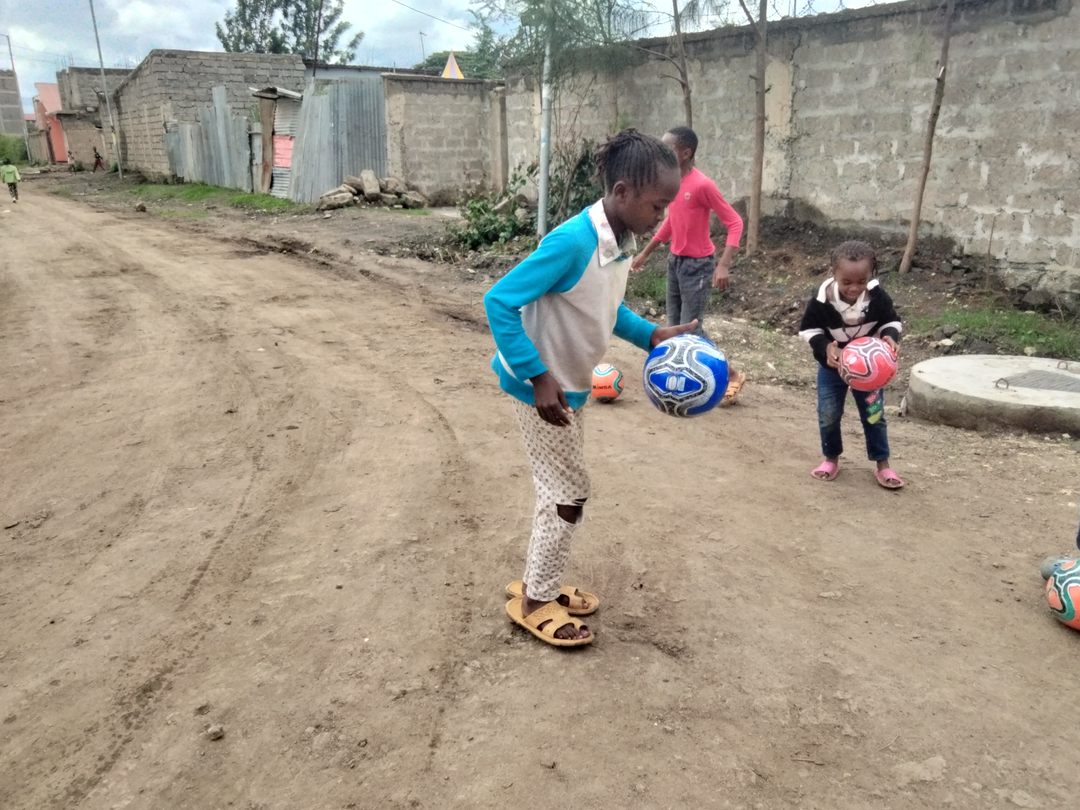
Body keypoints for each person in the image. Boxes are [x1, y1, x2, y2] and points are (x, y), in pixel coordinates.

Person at [484, 129, 696, 647]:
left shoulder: (617, 243)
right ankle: (536, 600)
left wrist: (650, 335)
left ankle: (541, 580)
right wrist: (537, 376)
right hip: (540, 389)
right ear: (622, 192)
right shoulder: (572, 243)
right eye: (657, 205)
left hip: (568, 387)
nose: (663, 216)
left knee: (558, 488)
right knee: (568, 494)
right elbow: (499, 301)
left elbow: (603, 306)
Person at [630, 126, 746, 403]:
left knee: (691, 328)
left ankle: (731, 374)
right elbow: (672, 222)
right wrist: (645, 253)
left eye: (667, 149)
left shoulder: (702, 185)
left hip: (698, 266)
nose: (661, 153)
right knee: (673, 326)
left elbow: (735, 222)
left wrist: (723, 265)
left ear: (685, 153)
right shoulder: (673, 184)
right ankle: (683, 378)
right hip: (676, 262)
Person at [798, 240, 904, 490]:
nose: (854, 288)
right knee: (828, 415)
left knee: (874, 416)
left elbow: (891, 321)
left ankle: (882, 464)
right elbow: (808, 330)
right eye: (846, 282)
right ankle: (831, 459)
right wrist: (826, 347)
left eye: (861, 281)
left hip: (871, 373)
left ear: (871, 275)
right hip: (832, 369)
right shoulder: (821, 300)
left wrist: (890, 336)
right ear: (833, 273)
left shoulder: (877, 296)